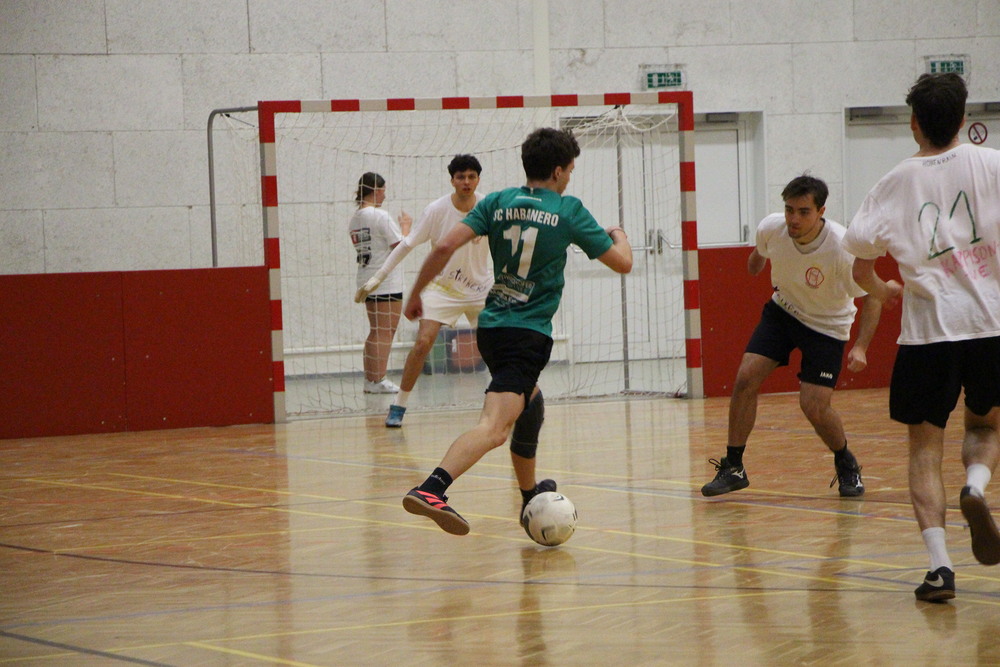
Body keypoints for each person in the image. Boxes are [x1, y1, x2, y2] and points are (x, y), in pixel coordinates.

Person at [400, 127, 633, 535]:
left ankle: (528, 496)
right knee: (494, 427)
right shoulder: (568, 210)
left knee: (532, 406)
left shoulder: (496, 201)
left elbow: (443, 247)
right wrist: (619, 235)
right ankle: (432, 488)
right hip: (526, 335)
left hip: (492, 328)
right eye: (571, 170)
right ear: (558, 171)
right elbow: (622, 263)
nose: (570, 178)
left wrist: (417, 294)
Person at [844, 72, 1000, 603]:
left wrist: (884, 290)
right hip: (990, 326)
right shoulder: (992, 164)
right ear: (963, 119)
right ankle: (975, 486)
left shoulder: (892, 183)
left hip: (928, 335)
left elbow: (860, 264)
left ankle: (940, 569)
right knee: (985, 426)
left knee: (924, 449)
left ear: (914, 123)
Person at [701, 175, 886, 499]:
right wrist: (757, 258)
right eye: (789, 210)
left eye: (803, 212)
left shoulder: (841, 248)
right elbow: (760, 253)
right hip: (784, 311)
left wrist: (861, 346)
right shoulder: (772, 228)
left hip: (827, 326)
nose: (794, 219)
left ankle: (846, 461)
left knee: (813, 406)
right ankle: (734, 467)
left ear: (821, 211)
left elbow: (874, 295)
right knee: (746, 378)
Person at [354, 155, 492, 427]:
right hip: (441, 288)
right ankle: (399, 405)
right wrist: (378, 278)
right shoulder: (437, 210)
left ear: (478, 180)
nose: (466, 182)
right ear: (452, 180)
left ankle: (508, 401)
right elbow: (407, 244)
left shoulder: (488, 206)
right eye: (461, 177)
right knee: (423, 342)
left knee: (495, 346)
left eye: (471, 177)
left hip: (479, 288)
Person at [348, 172, 412, 394]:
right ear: (376, 190)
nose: (384, 196)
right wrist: (406, 226)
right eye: (383, 191)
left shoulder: (356, 218)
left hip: (367, 278)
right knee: (385, 331)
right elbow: (400, 246)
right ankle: (378, 379)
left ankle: (371, 380)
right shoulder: (380, 216)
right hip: (385, 281)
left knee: (376, 330)